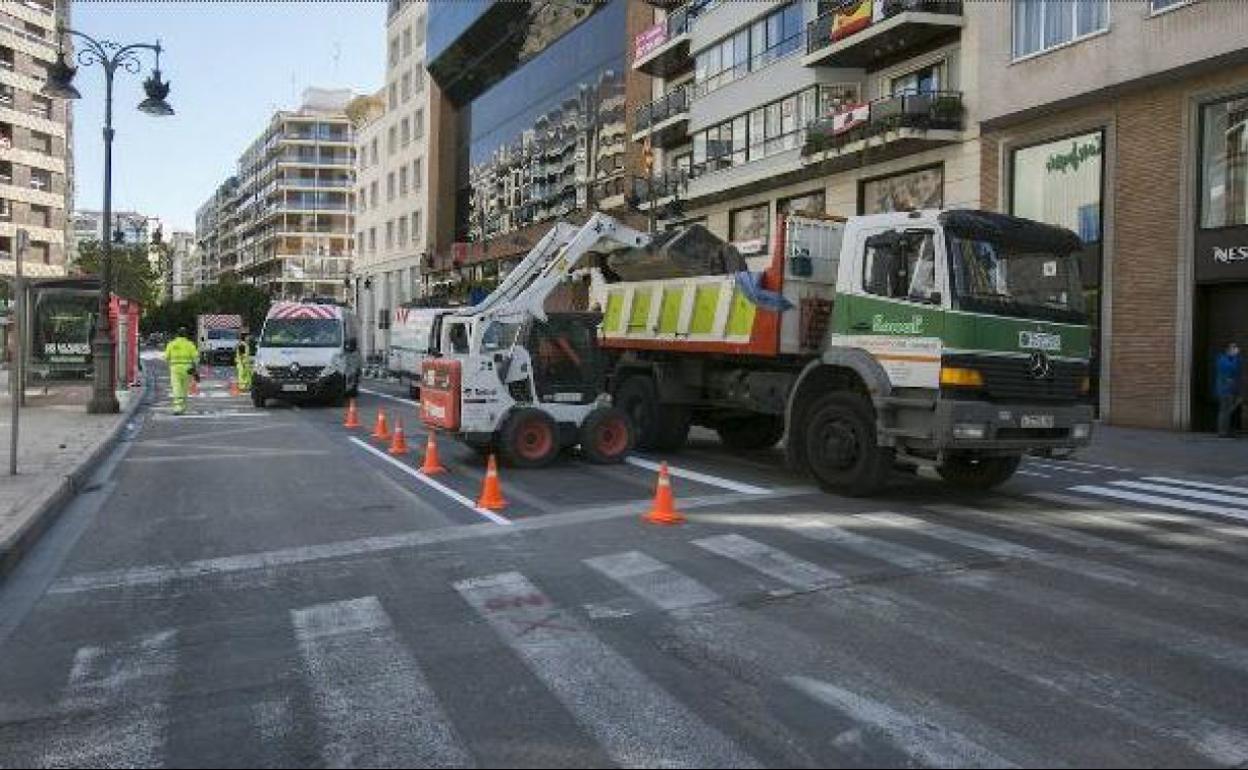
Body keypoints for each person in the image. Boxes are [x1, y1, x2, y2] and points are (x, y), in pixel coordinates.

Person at [164, 326, 199, 415]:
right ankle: (183, 407)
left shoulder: (171, 344)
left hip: (175, 369)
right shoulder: (190, 344)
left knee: (176, 387)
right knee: (184, 388)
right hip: (187, 369)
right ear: (185, 335)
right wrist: (195, 370)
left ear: (177, 334)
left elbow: (166, 357)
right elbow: (196, 358)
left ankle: (178, 407)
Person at [1216, 341, 1242, 438]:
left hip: (1233, 389)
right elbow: (1231, 369)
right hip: (1224, 389)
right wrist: (1235, 357)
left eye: (1236, 347)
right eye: (1233, 347)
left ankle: (1229, 431)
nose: (1235, 349)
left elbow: (1237, 370)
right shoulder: (1222, 359)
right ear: (1227, 350)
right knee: (1224, 411)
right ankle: (1222, 432)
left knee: (1231, 411)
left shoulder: (1235, 359)